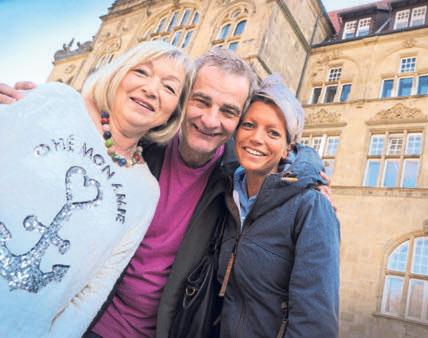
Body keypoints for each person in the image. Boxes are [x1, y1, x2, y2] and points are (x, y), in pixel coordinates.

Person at [0, 48, 334, 338]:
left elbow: (277, 140)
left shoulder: (234, 179)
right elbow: (105, 114)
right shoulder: (142, 144)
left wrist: (304, 171)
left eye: (229, 112)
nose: (210, 120)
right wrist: (53, 106)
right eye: (201, 101)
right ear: (181, 99)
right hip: (77, 320)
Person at [0, 40, 194, 338]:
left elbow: (90, 295)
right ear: (117, 74)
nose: (152, 90)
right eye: (141, 72)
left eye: (169, 88)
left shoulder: (145, 191)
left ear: (174, 112)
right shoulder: (56, 101)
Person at [217, 75, 340, 337]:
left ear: (288, 148)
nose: (256, 138)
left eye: (273, 132)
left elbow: (314, 322)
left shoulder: (312, 207)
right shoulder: (226, 193)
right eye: (248, 125)